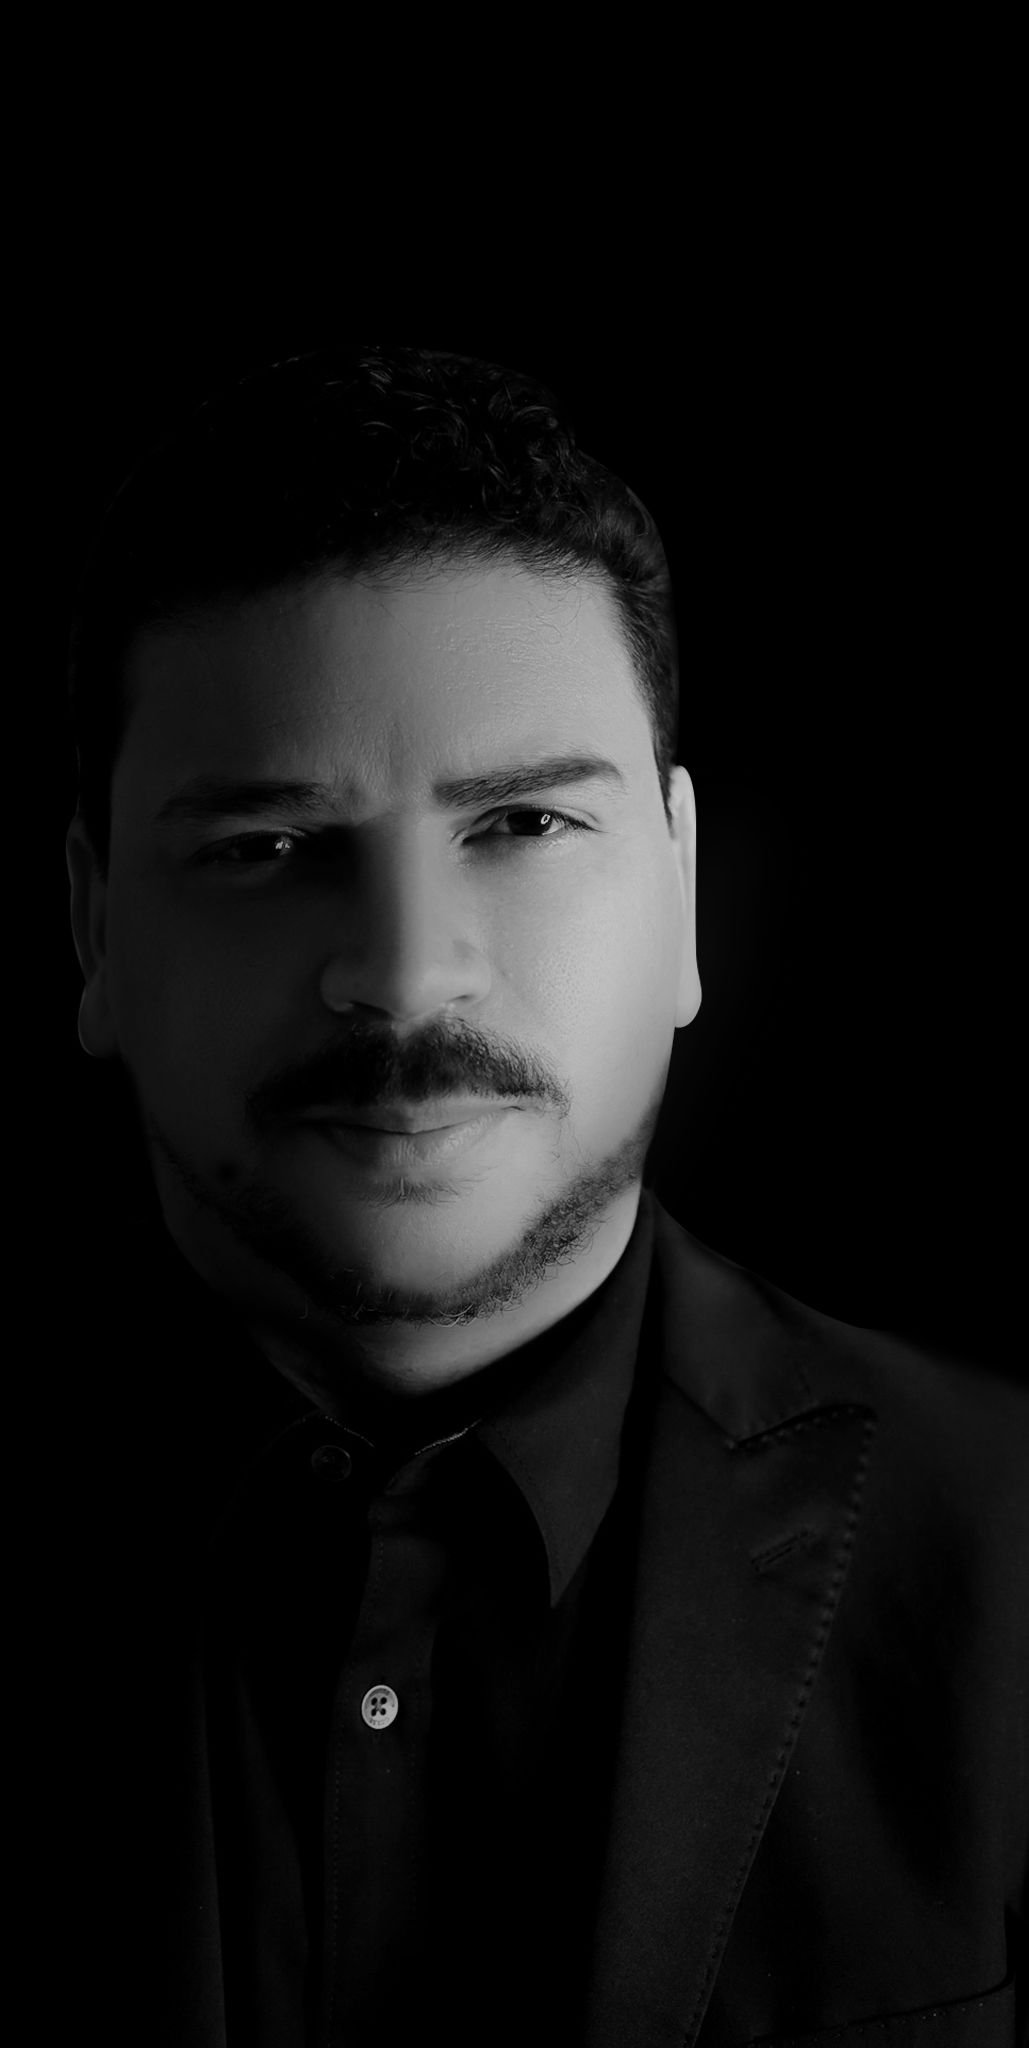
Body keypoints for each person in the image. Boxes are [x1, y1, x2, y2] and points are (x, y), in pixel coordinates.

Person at [60, 343, 1026, 2046]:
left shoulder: (1018, 1553)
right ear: (92, 933)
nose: (402, 972)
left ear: (682, 886)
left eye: (517, 824)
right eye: (265, 848)